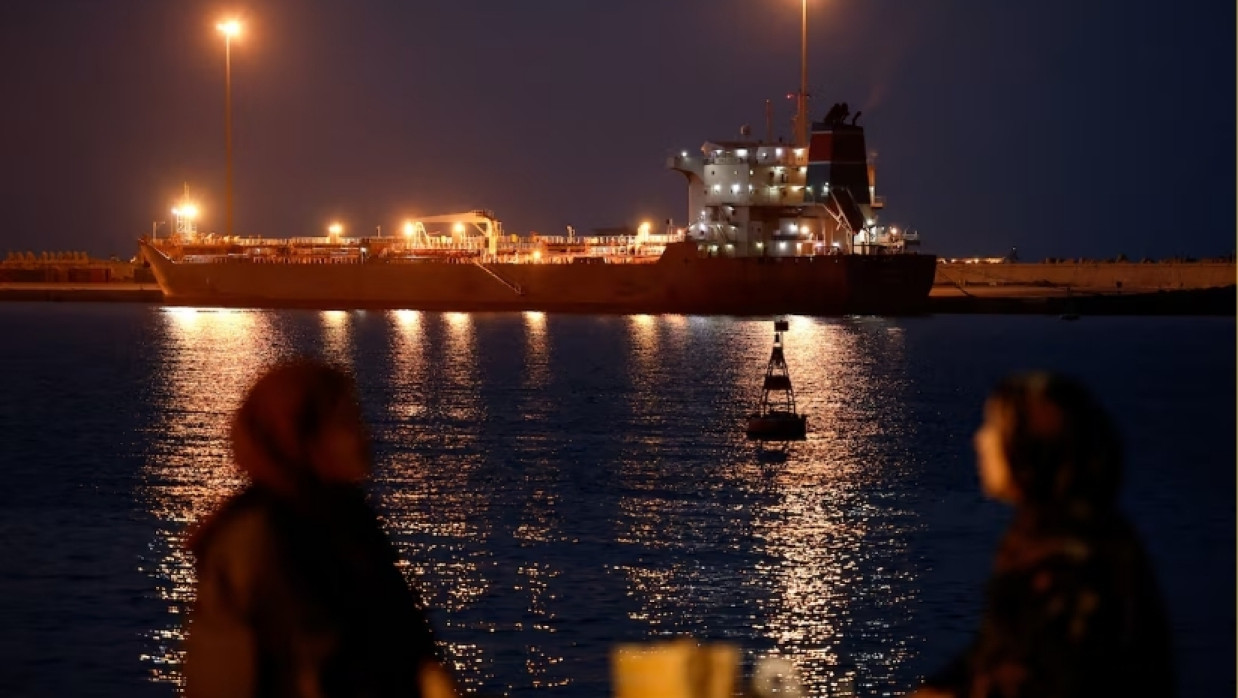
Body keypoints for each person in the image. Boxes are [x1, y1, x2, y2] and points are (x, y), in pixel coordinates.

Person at [183, 359, 458, 698]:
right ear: (301, 435)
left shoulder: (352, 521)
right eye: (345, 422)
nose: (364, 436)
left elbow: (409, 648)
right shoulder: (254, 542)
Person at [912, 372, 1174, 698]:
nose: (979, 440)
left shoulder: (1071, 561)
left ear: (1031, 445)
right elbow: (994, 654)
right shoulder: (1041, 539)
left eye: (994, 428)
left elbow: (1053, 678)